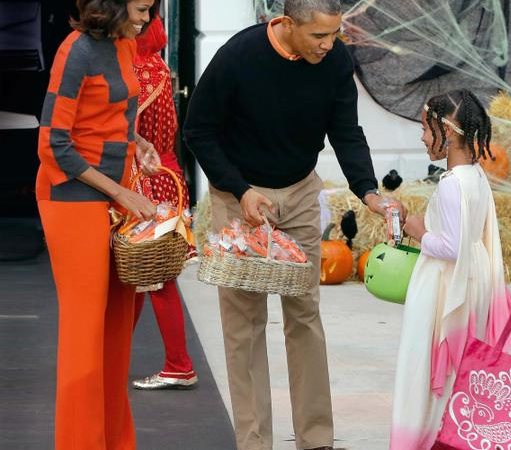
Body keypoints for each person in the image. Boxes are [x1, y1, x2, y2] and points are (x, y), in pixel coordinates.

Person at [182, 1, 401, 449]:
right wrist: (240, 191)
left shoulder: (335, 59)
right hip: (239, 196)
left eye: (335, 34)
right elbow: (198, 130)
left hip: (300, 193)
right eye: (319, 36)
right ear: (285, 23)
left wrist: (369, 191)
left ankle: (316, 438)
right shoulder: (238, 56)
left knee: (304, 316)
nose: (329, 44)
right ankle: (254, 440)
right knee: (243, 324)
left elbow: (346, 130)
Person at [36, 0, 159, 448]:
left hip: (114, 194)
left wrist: (138, 142)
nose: (147, 18)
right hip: (72, 199)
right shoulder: (77, 51)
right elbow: (54, 144)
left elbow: (112, 116)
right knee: (85, 333)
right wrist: (120, 191)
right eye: (142, 8)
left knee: (116, 332)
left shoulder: (124, 45)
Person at [390, 89, 511, 449]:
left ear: (447, 134)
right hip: (472, 278)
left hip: (447, 287)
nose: (421, 137)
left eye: (425, 128)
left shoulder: (453, 184)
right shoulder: (476, 176)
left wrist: (419, 231)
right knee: (460, 372)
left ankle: (424, 438)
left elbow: (451, 247)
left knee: (426, 369)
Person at [128, 14, 198, 390]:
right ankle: (119, 354)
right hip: (168, 178)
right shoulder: (159, 67)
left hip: (145, 184)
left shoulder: (134, 73)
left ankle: (179, 364)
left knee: (154, 280)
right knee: (144, 278)